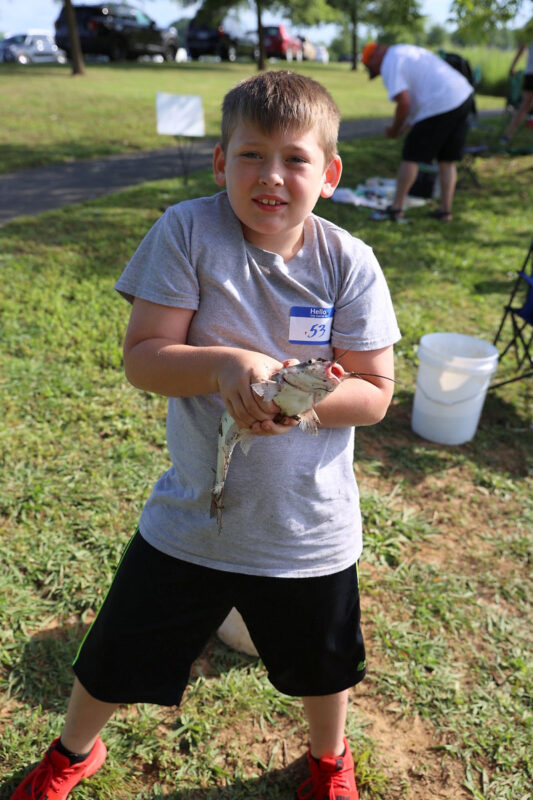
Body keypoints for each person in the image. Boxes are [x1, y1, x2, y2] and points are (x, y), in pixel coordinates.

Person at [10, 71, 400, 800]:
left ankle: (327, 760)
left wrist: (301, 405)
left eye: (294, 158)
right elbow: (143, 358)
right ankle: (73, 749)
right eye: (250, 156)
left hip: (305, 525)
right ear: (220, 162)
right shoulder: (187, 230)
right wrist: (227, 365)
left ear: (331, 173)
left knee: (325, 665)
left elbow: (375, 393)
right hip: (194, 516)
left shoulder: (347, 261)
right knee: (116, 651)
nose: (271, 177)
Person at [361, 41, 474, 223]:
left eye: (371, 67)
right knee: (447, 160)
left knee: (411, 156)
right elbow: (414, 106)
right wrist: (404, 127)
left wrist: (395, 130)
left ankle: (396, 208)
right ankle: (445, 212)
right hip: (463, 95)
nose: (376, 71)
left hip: (440, 102)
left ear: (375, 56)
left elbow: (404, 103)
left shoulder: (390, 61)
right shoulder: (405, 51)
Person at [500, 23, 533, 145]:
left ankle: (509, 135)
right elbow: (521, 49)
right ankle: (509, 134)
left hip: (530, 73)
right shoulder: (529, 31)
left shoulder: (529, 30)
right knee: (526, 104)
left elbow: (521, 50)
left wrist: (513, 66)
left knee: (525, 104)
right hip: (530, 73)